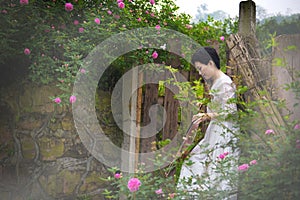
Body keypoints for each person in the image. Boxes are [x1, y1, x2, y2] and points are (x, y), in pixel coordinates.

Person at [177, 47, 239, 199]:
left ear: (210, 63)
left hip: (224, 133)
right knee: (196, 162)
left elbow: (231, 112)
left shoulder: (224, 83)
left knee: (216, 172)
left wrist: (207, 115)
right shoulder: (217, 82)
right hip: (215, 130)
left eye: (200, 68)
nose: (200, 73)